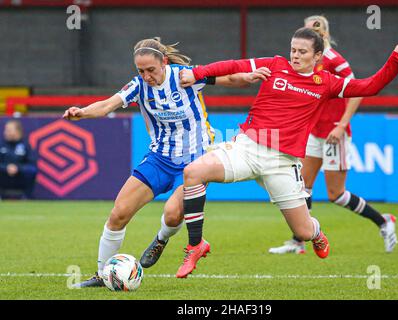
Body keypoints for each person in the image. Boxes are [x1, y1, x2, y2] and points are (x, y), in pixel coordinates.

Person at [176, 28, 398, 278]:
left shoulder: (326, 83)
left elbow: (370, 86)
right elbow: (234, 65)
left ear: (317, 57)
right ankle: (196, 245)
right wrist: (197, 73)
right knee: (193, 172)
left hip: (283, 162)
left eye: (302, 52)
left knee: (303, 232)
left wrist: (396, 59)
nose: (295, 55)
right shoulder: (275, 65)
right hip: (247, 147)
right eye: (293, 49)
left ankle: (316, 232)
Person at [64, 37, 265, 288]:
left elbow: (225, 79)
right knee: (119, 214)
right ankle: (103, 275)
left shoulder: (184, 76)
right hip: (159, 159)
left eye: (151, 70)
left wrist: (247, 77)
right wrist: (81, 112)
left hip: (195, 162)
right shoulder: (138, 86)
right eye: (141, 71)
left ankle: (161, 239)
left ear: (164, 63)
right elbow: (107, 105)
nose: (146, 76)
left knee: (171, 215)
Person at [269, 16, 398, 256]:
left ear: (321, 35)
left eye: (311, 31)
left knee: (336, 194)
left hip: (333, 133)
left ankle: (384, 221)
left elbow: (358, 90)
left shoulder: (333, 61)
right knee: (303, 187)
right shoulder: (305, 60)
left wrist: (341, 125)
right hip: (314, 132)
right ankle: (299, 241)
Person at [0, 119, 37, 199]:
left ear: (18, 132)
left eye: (9, 130)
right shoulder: (1, 145)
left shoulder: (26, 146)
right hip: (3, 176)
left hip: (20, 177)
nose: (6, 132)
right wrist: (6, 167)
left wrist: (18, 168)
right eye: (6, 130)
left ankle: (27, 198)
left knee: (31, 171)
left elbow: (32, 166)